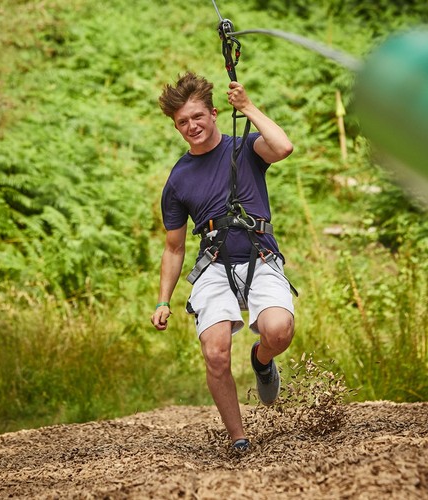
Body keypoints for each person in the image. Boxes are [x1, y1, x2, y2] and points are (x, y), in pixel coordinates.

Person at [150, 72, 295, 451]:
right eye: (182, 121)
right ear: (176, 126)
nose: (191, 126)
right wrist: (163, 300)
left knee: (278, 330)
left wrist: (246, 106)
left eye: (197, 116)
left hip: (260, 255)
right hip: (214, 264)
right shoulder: (179, 180)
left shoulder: (245, 148)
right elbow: (174, 248)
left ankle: (262, 360)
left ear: (214, 113)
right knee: (215, 350)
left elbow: (283, 148)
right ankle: (239, 439)